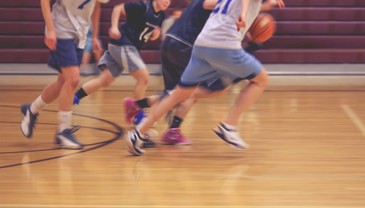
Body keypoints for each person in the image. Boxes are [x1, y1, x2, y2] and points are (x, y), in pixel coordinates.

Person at [126, 0, 285, 156]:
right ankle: (229, 125)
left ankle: (138, 133)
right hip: (224, 45)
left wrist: (264, 5)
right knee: (261, 79)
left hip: (202, 44)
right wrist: (244, 13)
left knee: (178, 94)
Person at [20, 0, 103, 149]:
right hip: (61, 28)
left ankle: (32, 110)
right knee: (73, 79)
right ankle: (63, 131)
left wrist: (95, 36)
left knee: (62, 83)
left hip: (81, 33)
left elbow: (97, 5)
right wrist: (51, 29)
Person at [72, 0, 170, 120]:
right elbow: (117, 8)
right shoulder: (142, 7)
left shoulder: (161, 16)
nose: (167, 1)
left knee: (105, 79)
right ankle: (138, 115)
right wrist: (114, 27)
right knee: (144, 78)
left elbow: (149, 35)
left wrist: (154, 34)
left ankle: (75, 96)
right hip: (123, 44)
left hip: (126, 47)